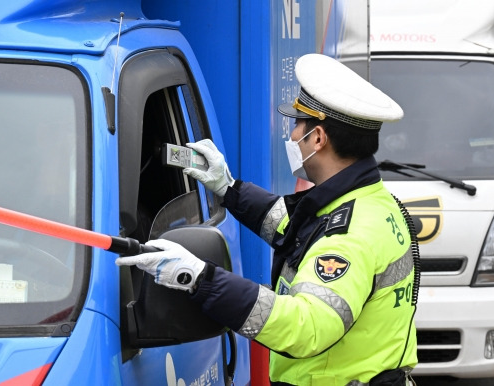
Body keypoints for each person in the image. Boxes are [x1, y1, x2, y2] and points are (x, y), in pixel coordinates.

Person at [116, 53, 420, 386]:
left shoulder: (349, 236)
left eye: (297, 125)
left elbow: (307, 327)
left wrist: (202, 280)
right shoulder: (369, 202)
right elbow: (295, 229)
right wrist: (229, 189)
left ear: (317, 138)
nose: (291, 137)